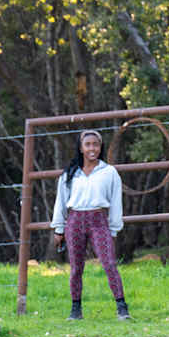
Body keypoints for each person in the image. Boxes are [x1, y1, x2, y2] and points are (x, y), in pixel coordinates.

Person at [51, 129, 130, 320]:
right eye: (88, 145)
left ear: (100, 147)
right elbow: (61, 201)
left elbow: (116, 202)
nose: (92, 148)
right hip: (75, 221)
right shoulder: (70, 174)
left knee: (109, 263)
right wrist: (59, 228)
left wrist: (113, 228)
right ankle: (75, 309)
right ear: (81, 148)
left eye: (95, 144)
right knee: (76, 267)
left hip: (98, 220)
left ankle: (122, 307)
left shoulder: (108, 172)